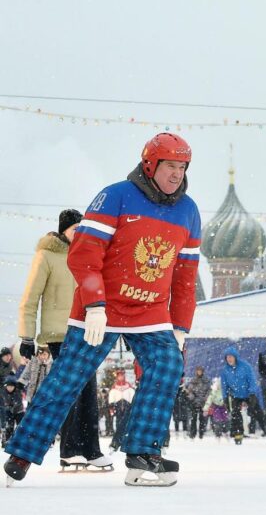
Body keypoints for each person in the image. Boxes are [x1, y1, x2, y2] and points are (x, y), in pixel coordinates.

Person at [3, 133, 201, 487]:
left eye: (182, 167)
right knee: (68, 379)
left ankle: (143, 455)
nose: (176, 174)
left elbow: (185, 276)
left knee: (168, 365)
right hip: (102, 308)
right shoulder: (116, 196)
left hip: (150, 311)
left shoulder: (189, 211)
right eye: (170, 165)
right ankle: (22, 453)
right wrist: (94, 304)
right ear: (149, 165)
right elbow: (84, 253)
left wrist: (181, 326)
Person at [17, 209, 112, 471]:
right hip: (59, 334)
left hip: (85, 331)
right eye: (74, 229)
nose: (79, 234)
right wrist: (27, 335)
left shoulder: (88, 257)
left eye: (82, 229)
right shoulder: (47, 256)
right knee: (70, 391)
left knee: (89, 392)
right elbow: (30, 298)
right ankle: (70, 451)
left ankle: (91, 449)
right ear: (63, 230)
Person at [220, 346, 261, 445]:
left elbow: (252, 380)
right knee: (235, 414)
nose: (229, 359)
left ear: (235, 357)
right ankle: (238, 434)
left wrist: (252, 393)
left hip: (248, 393)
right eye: (227, 357)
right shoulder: (225, 370)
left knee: (257, 412)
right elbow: (224, 385)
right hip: (236, 395)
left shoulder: (245, 366)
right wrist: (225, 397)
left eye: (231, 356)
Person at [108, 369, 136, 453]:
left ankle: (125, 438)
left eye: (122, 375)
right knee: (119, 422)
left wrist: (132, 402)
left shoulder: (128, 386)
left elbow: (132, 394)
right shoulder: (114, 387)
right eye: (119, 375)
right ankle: (119, 438)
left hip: (127, 405)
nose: (120, 377)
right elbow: (112, 395)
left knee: (126, 422)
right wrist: (111, 405)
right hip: (118, 405)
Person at [185, 366, 211, 439]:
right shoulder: (193, 380)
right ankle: (193, 433)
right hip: (194, 402)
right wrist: (192, 397)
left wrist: (205, 398)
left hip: (203, 402)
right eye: (198, 371)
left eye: (200, 371)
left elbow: (209, 390)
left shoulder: (206, 380)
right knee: (193, 418)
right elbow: (190, 390)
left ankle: (201, 433)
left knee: (202, 419)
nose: (199, 372)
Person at [1, 376, 24, 448]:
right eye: (8, 386)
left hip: (19, 411)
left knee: (20, 427)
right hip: (8, 411)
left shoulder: (18, 390)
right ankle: (7, 441)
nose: (10, 388)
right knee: (9, 427)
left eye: (11, 386)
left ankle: (20, 441)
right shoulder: (2, 392)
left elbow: (22, 382)